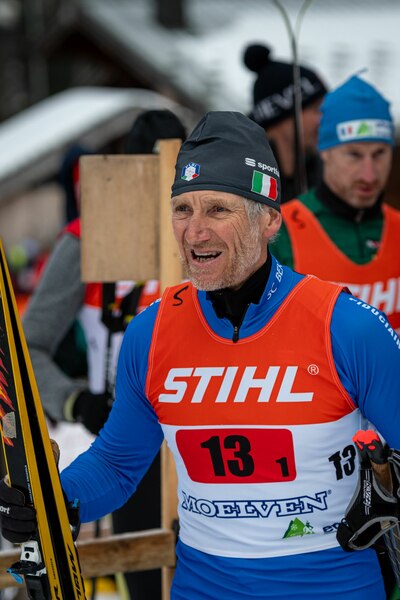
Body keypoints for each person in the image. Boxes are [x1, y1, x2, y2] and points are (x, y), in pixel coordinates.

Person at [1, 110, 400, 600]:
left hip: (331, 587)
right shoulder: (151, 333)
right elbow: (119, 463)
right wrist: (54, 501)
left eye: (217, 209)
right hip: (204, 587)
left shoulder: (346, 327)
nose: (194, 232)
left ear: (269, 219)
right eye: (182, 209)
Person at [20, 109, 187, 600]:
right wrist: (76, 401)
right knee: (148, 584)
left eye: (177, 176)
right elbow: (27, 347)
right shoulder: (90, 235)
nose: (164, 194)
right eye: (153, 176)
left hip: (203, 438)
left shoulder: (206, 234)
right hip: (130, 445)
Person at [270, 74, 400, 333]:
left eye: (379, 154)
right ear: (325, 152)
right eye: (354, 155)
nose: (369, 175)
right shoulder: (278, 231)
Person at [243, 43, 327, 202]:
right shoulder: (238, 183)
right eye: (316, 109)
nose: (323, 118)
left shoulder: (326, 177)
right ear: (279, 116)